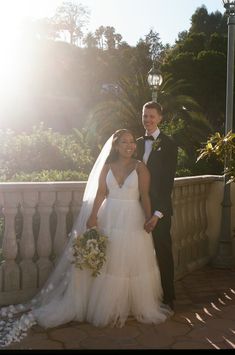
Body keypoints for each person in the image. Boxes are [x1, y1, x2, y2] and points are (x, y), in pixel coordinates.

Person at [0, 129, 169, 348]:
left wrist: (149, 218)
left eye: (131, 142)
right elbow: (100, 193)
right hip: (109, 216)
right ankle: (106, 306)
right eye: (124, 142)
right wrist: (92, 216)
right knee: (107, 261)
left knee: (129, 262)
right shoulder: (107, 166)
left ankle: (128, 305)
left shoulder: (140, 168)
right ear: (115, 146)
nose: (129, 145)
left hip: (132, 219)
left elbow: (145, 195)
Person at [136, 102, 178, 313]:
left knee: (163, 251)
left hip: (159, 210)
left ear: (160, 118)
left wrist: (157, 214)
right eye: (145, 116)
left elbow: (167, 183)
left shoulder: (169, 144)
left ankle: (169, 297)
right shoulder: (135, 143)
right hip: (136, 208)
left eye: (152, 116)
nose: (148, 120)